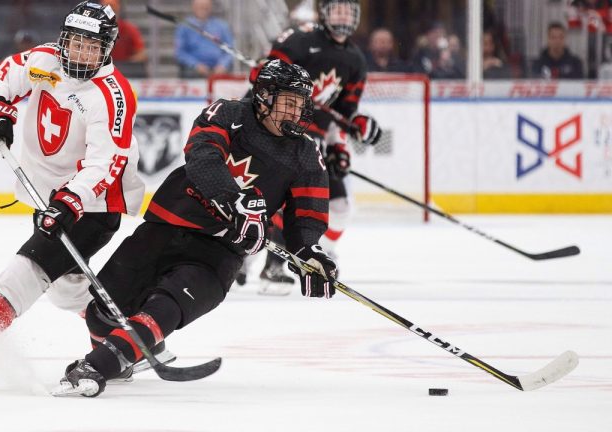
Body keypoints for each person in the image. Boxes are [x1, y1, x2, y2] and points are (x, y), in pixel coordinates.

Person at [0, 1, 167, 391]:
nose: (79, 53)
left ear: (108, 49)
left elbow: (105, 163)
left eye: (90, 47)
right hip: (49, 199)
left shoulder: (111, 95)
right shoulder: (46, 60)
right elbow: (3, 77)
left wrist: (71, 200)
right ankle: (126, 340)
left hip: (92, 205)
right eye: (74, 43)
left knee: (25, 274)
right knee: (65, 292)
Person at [52, 59, 338, 397]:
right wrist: (234, 201)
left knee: (166, 306)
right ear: (263, 97)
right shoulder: (230, 114)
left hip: (219, 253)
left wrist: (309, 252)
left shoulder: (306, 154)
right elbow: (202, 156)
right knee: (102, 314)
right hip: (168, 225)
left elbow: (306, 215)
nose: (296, 113)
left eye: (301, 104)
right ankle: (129, 352)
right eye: (288, 102)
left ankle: (99, 364)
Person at [239, 0, 381, 295]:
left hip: (309, 137)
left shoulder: (355, 59)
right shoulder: (301, 39)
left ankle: (308, 257)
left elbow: (343, 114)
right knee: (266, 199)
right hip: (273, 127)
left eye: (348, 10)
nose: (342, 16)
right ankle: (248, 261)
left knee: (340, 207)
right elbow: (260, 81)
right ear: (324, 12)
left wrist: (339, 144)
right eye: (336, 9)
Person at [174, 0, 234, 78]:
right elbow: (180, 52)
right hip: (193, 69)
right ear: (193, 7)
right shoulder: (184, 26)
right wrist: (196, 65)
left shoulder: (222, 26)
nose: (203, 8)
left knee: (227, 69)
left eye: (205, 5)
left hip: (218, 68)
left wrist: (222, 65)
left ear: (211, 6)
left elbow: (230, 50)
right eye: (200, 5)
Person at [100, 0, 147, 77]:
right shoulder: (95, 29)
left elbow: (141, 54)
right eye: (107, 10)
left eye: (113, 9)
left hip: (125, 70)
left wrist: (125, 65)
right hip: (102, 68)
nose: (110, 13)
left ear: (118, 10)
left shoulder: (129, 29)